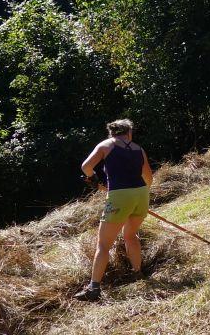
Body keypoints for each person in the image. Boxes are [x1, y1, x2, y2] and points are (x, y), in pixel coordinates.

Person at [74, 119, 153, 301]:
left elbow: (86, 167)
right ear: (129, 132)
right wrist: (140, 194)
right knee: (131, 235)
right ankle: (137, 273)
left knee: (103, 245)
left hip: (119, 196)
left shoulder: (106, 145)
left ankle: (93, 289)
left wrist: (93, 179)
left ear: (112, 132)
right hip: (141, 194)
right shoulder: (138, 149)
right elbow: (148, 177)